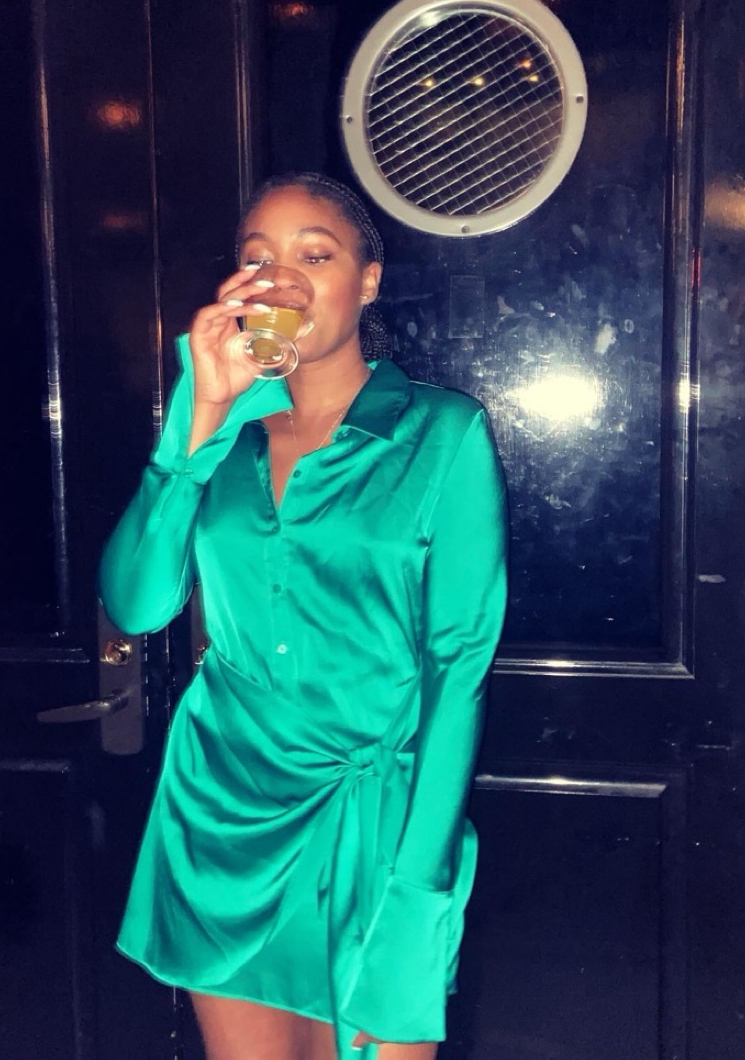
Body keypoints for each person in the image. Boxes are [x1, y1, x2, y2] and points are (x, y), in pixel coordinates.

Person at [99, 172, 508, 1060]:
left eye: (314, 256)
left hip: (380, 830)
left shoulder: (443, 434)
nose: (280, 278)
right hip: (223, 820)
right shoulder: (224, 435)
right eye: (258, 260)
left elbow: (459, 670)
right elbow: (137, 603)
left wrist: (419, 886)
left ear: (368, 280)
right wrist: (199, 417)